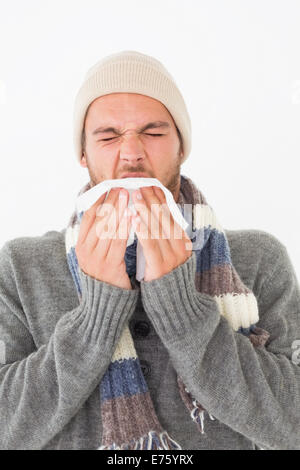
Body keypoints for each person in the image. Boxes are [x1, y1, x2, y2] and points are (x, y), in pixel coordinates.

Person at [0, 50, 300, 450]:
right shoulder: (22, 268)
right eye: (108, 136)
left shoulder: (260, 260)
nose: (131, 153)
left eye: (154, 132)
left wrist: (181, 306)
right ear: (83, 154)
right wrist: (95, 316)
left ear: (181, 147)